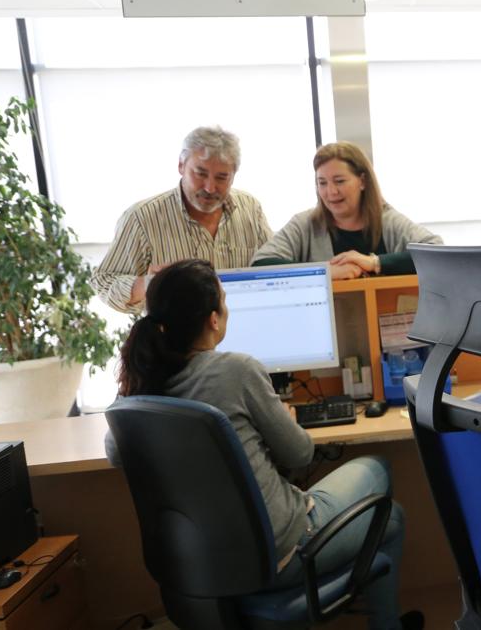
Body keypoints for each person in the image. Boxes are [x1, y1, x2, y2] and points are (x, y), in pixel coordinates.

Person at [107, 260, 419, 630]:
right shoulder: (236, 370)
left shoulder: (138, 389)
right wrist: (284, 421)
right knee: (381, 482)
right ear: (213, 319)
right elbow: (300, 453)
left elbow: (115, 452)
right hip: (279, 552)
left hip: (197, 565)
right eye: (224, 301)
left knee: (383, 512)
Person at [92, 126, 272, 314]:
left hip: (245, 336)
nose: (210, 188)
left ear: (234, 176)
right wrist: (147, 284)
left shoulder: (250, 209)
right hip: (175, 341)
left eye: (222, 177)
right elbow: (104, 281)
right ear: (181, 165)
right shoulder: (142, 218)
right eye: (200, 174)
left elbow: (274, 268)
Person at [252, 142, 440, 279]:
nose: (331, 192)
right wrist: (326, 272)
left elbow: (438, 253)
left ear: (363, 181)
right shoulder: (305, 224)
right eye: (322, 183)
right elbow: (261, 263)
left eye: (340, 181)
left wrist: (375, 262)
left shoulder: (388, 220)